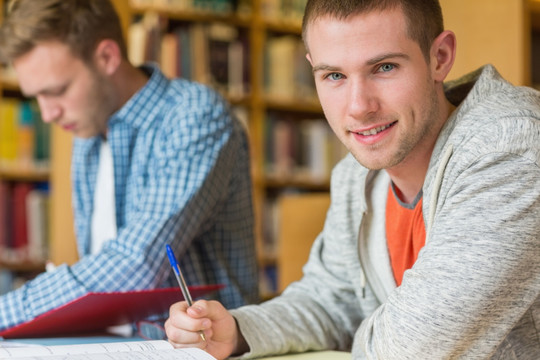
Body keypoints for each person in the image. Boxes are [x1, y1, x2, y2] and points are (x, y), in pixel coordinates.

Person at [164, 0, 540, 358]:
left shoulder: (510, 146)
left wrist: (365, 332)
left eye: (385, 68)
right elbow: (331, 300)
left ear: (439, 58)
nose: (359, 107)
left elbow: (416, 346)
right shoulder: (356, 173)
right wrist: (236, 329)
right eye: (335, 76)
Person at [0, 0, 259, 331]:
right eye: (36, 97)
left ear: (107, 57)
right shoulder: (88, 133)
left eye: (58, 91)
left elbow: (133, 265)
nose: (48, 114)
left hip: (198, 347)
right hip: (108, 341)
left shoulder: (194, 116)